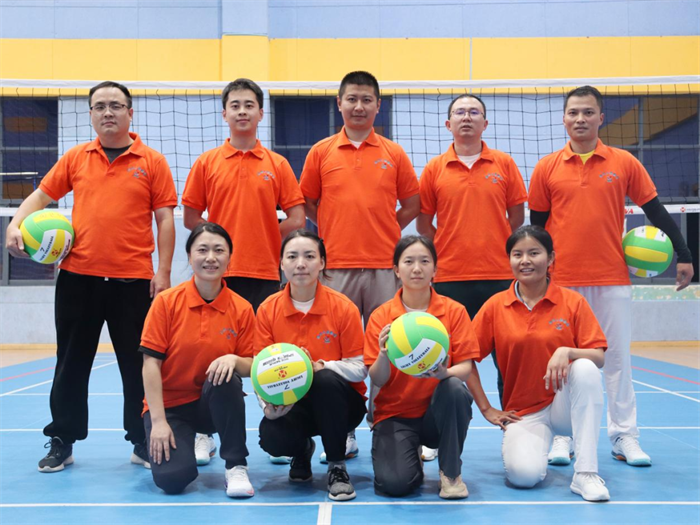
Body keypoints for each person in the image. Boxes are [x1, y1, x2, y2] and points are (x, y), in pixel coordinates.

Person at [5, 81, 177, 473]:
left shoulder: (152, 161)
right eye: (99, 106)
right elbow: (41, 197)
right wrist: (15, 224)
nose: (107, 112)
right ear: (91, 114)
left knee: (138, 365)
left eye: (115, 105)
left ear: (130, 112)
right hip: (78, 279)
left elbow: (165, 219)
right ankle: (62, 440)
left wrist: (164, 273)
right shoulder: (76, 158)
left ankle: (141, 439)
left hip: (133, 281)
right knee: (70, 363)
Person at [528, 85, 694, 467]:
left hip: (612, 279)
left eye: (588, 112)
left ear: (601, 118)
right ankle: (563, 437)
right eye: (573, 112)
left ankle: (624, 436)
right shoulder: (546, 168)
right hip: (562, 282)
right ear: (564, 119)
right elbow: (537, 230)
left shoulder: (624, 162)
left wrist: (684, 254)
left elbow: (655, 210)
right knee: (560, 361)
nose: (580, 119)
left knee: (617, 359)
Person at [182, 78, 305, 463]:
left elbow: (297, 218)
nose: (241, 111)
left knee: (269, 358)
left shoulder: (277, 164)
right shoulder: (207, 162)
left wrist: (266, 234)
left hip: (265, 274)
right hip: (218, 278)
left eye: (249, 105)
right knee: (212, 353)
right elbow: (190, 217)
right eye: (234, 105)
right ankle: (204, 432)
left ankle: (278, 426)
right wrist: (217, 244)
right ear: (224, 113)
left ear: (260, 113)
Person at [300, 70, 420, 459]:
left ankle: (387, 422)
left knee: (391, 349)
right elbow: (308, 203)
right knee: (341, 355)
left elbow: (412, 204)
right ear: (339, 103)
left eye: (367, 99)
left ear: (377, 106)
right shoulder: (321, 152)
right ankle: (345, 429)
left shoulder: (394, 153)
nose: (358, 106)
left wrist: (386, 228)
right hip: (337, 268)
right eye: (351, 98)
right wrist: (332, 228)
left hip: (385, 268)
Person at [416, 93, 527, 460]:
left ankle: (516, 432)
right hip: (450, 278)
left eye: (474, 112)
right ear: (448, 124)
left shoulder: (504, 164)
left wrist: (494, 244)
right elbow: (424, 224)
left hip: (498, 277)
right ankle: (434, 433)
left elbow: (516, 217)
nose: (467, 117)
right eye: (459, 112)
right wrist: (448, 249)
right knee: (440, 356)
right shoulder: (434, 168)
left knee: (507, 358)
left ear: (485, 123)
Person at [468, 225, 610, 502]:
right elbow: (466, 359)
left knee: (585, 367)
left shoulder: (573, 302)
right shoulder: (496, 306)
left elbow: (599, 357)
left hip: (564, 405)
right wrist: (486, 408)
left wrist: (567, 351)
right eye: (517, 254)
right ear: (509, 260)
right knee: (523, 477)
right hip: (524, 413)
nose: (525, 261)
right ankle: (538, 449)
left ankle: (585, 474)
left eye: (534, 253)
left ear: (551, 258)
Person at [140, 223, 255, 497]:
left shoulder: (242, 308)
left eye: (219, 250)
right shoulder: (166, 303)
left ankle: (236, 465)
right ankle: (189, 442)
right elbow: (150, 364)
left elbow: (252, 364)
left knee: (227, 378)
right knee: (172, 480)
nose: (210, 258)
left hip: (213, 403)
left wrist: (233, 359)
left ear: (229, 257)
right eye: (202, 250)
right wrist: (158, 422)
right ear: (190, 256)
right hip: (172, 408)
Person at [256, 229, 367, 501]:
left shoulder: (343, 307)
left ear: (322, 263)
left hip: (342, 405)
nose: (300, 264)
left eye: (309, 256)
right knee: (271, 436)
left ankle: (337, 466)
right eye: (292, 256)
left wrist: (320, 366)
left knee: (324, 379)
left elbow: (360, 367)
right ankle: (302, 450)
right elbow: (260, 373)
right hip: (293, 405)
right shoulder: (268, 309)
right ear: (282, 263)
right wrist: (268, 407)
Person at [364, 236, 478, 499]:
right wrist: (383, 354)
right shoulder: (381, 316)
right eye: (409, 262)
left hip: (437, 414)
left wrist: (444, 373)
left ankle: (450, 473)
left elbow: (466, 367)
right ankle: (410, 454)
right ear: (396, 269)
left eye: (424, 261)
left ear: (435, 269)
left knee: (454, 388)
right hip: (396, 414)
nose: (417, 268)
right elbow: (377, 379)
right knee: (396, 485)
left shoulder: (454, 311)